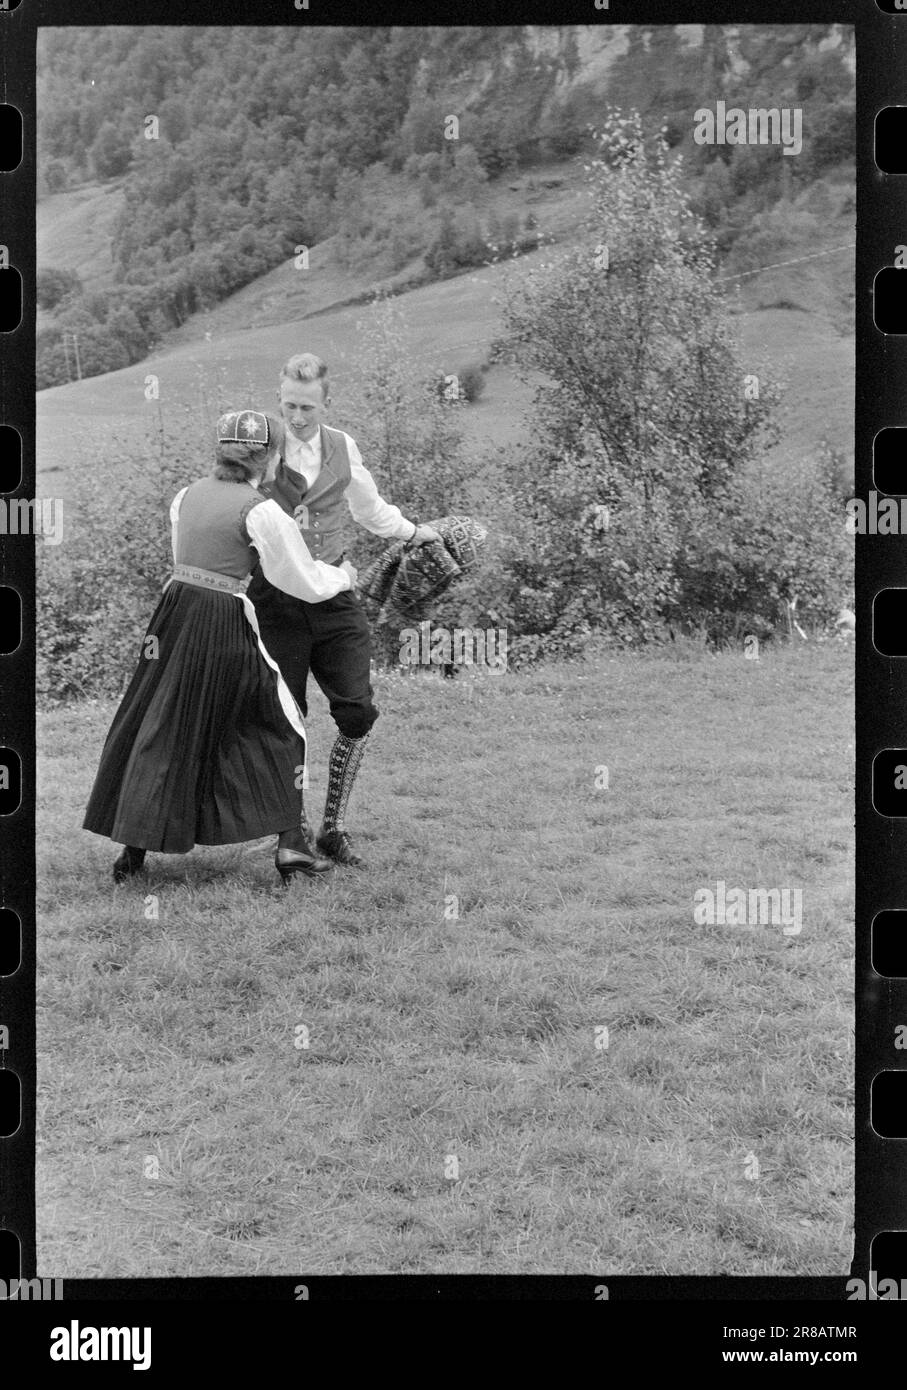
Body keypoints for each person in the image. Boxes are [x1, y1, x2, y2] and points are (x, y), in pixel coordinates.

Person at [83, 409, 358, 888]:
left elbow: (183, 557)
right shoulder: (260, 510)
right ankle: (292, 845)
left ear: (221, 452)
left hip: (174, 614)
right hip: (222, 619)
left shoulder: (186, 496)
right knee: (277, 720)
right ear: (268, 459)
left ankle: (134, 848)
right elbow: (301, 581)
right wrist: (344, 577)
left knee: (163, 719)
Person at [245, 352, 440, 870]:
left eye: (307, 406)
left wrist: (414, 532)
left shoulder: (343, 447)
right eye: (289, 405)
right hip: (275, 599)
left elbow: (369, 510)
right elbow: (231, 507)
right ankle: (292, 832)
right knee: (285, 718)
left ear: (325, 403)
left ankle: (333, 827)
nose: (298, 416)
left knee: (357, 709)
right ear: (279, 399)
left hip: (334, 592)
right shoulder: (264, 446)